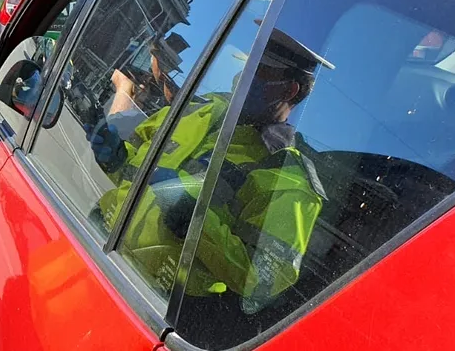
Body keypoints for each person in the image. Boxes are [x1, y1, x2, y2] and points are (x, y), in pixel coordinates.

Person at [84, 29, 330, 312]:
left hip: (149, 301)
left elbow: (263, 282)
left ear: (288, 90)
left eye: (257, 71)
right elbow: (131, 172)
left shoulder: (288, 177)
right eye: (245, 64)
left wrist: (192, 218)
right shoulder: (195, 110)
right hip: (96, 235)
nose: (240, 77)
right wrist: (116, 157)